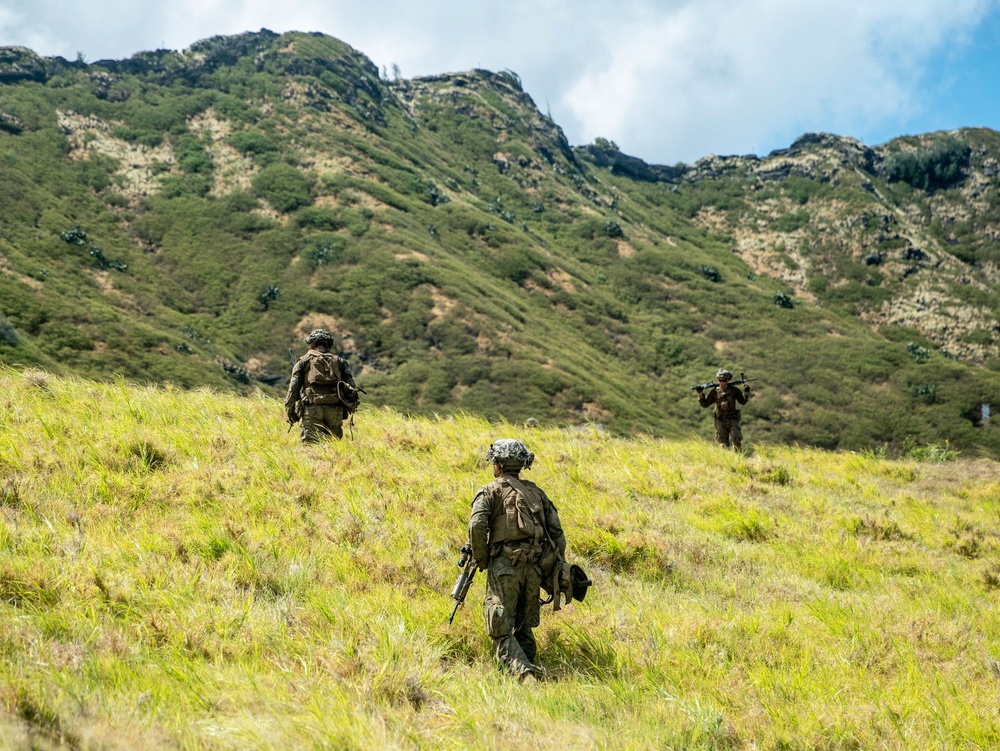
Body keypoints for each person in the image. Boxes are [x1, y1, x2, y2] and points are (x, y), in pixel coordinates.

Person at [468, 439, 566, 682]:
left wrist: (481, 559)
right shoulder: (536, 493)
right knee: (524, 627)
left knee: (500, 628)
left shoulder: (489, 491)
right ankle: (530, 669)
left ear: (497, 464)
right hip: (533, 569)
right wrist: (549, 567)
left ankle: (524, 677)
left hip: (504, 567)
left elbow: (477, 525)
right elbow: (557, 534)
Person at [285, 329, 358, 442]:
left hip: (312, 408)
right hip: (335, 410)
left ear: (313, 344)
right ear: (328, 344)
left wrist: (290, 410)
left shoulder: (303, 361)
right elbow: (352, 387)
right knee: (333, 445)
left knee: (310, 445)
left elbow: (293, 388)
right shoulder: (340, 361)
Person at [697, 368, 751, 450]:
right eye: (720, 380)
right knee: (722, 444)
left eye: (724, 380)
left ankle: (738, 458)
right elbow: (705, 404)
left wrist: (746, 392)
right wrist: (700, 394)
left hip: (733, 419)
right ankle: (726, 460)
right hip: (720, 420)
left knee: (736, 440)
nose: (722, 382)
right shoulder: (714, 392)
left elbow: (742, 401)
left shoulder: (734, 390)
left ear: (728, 380)